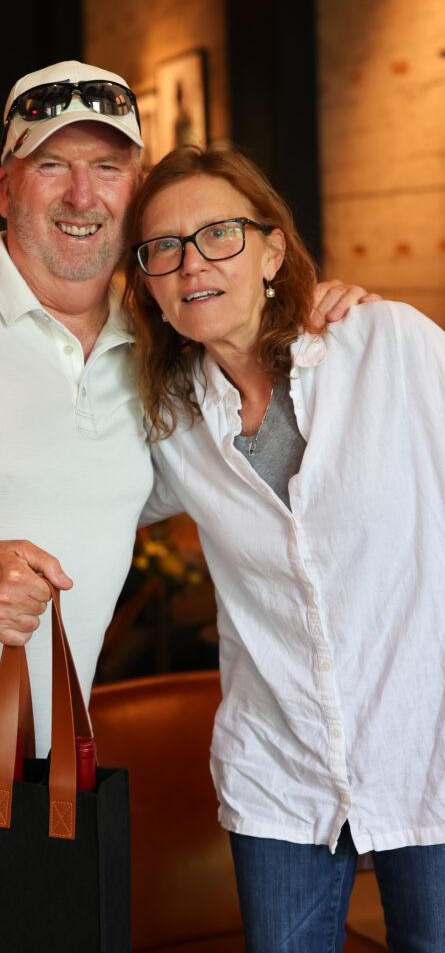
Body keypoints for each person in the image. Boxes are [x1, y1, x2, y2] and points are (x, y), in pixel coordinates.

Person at [0, 61, 371, 953]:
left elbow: (247, 452)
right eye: (52, 164)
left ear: (135, 191)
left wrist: (327, 323)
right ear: (5, 186)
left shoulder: (157, 353)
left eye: (108, 168)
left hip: (49, 782)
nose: (82, 195)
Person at [124, 144, 445, 952]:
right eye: (163, 248)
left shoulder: (386, 346)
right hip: (277, 761)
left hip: (426, 736)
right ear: (148, 285)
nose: (191, 263)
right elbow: (83, 506)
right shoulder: (170, 425)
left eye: (219, 234)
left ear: (271, 251)